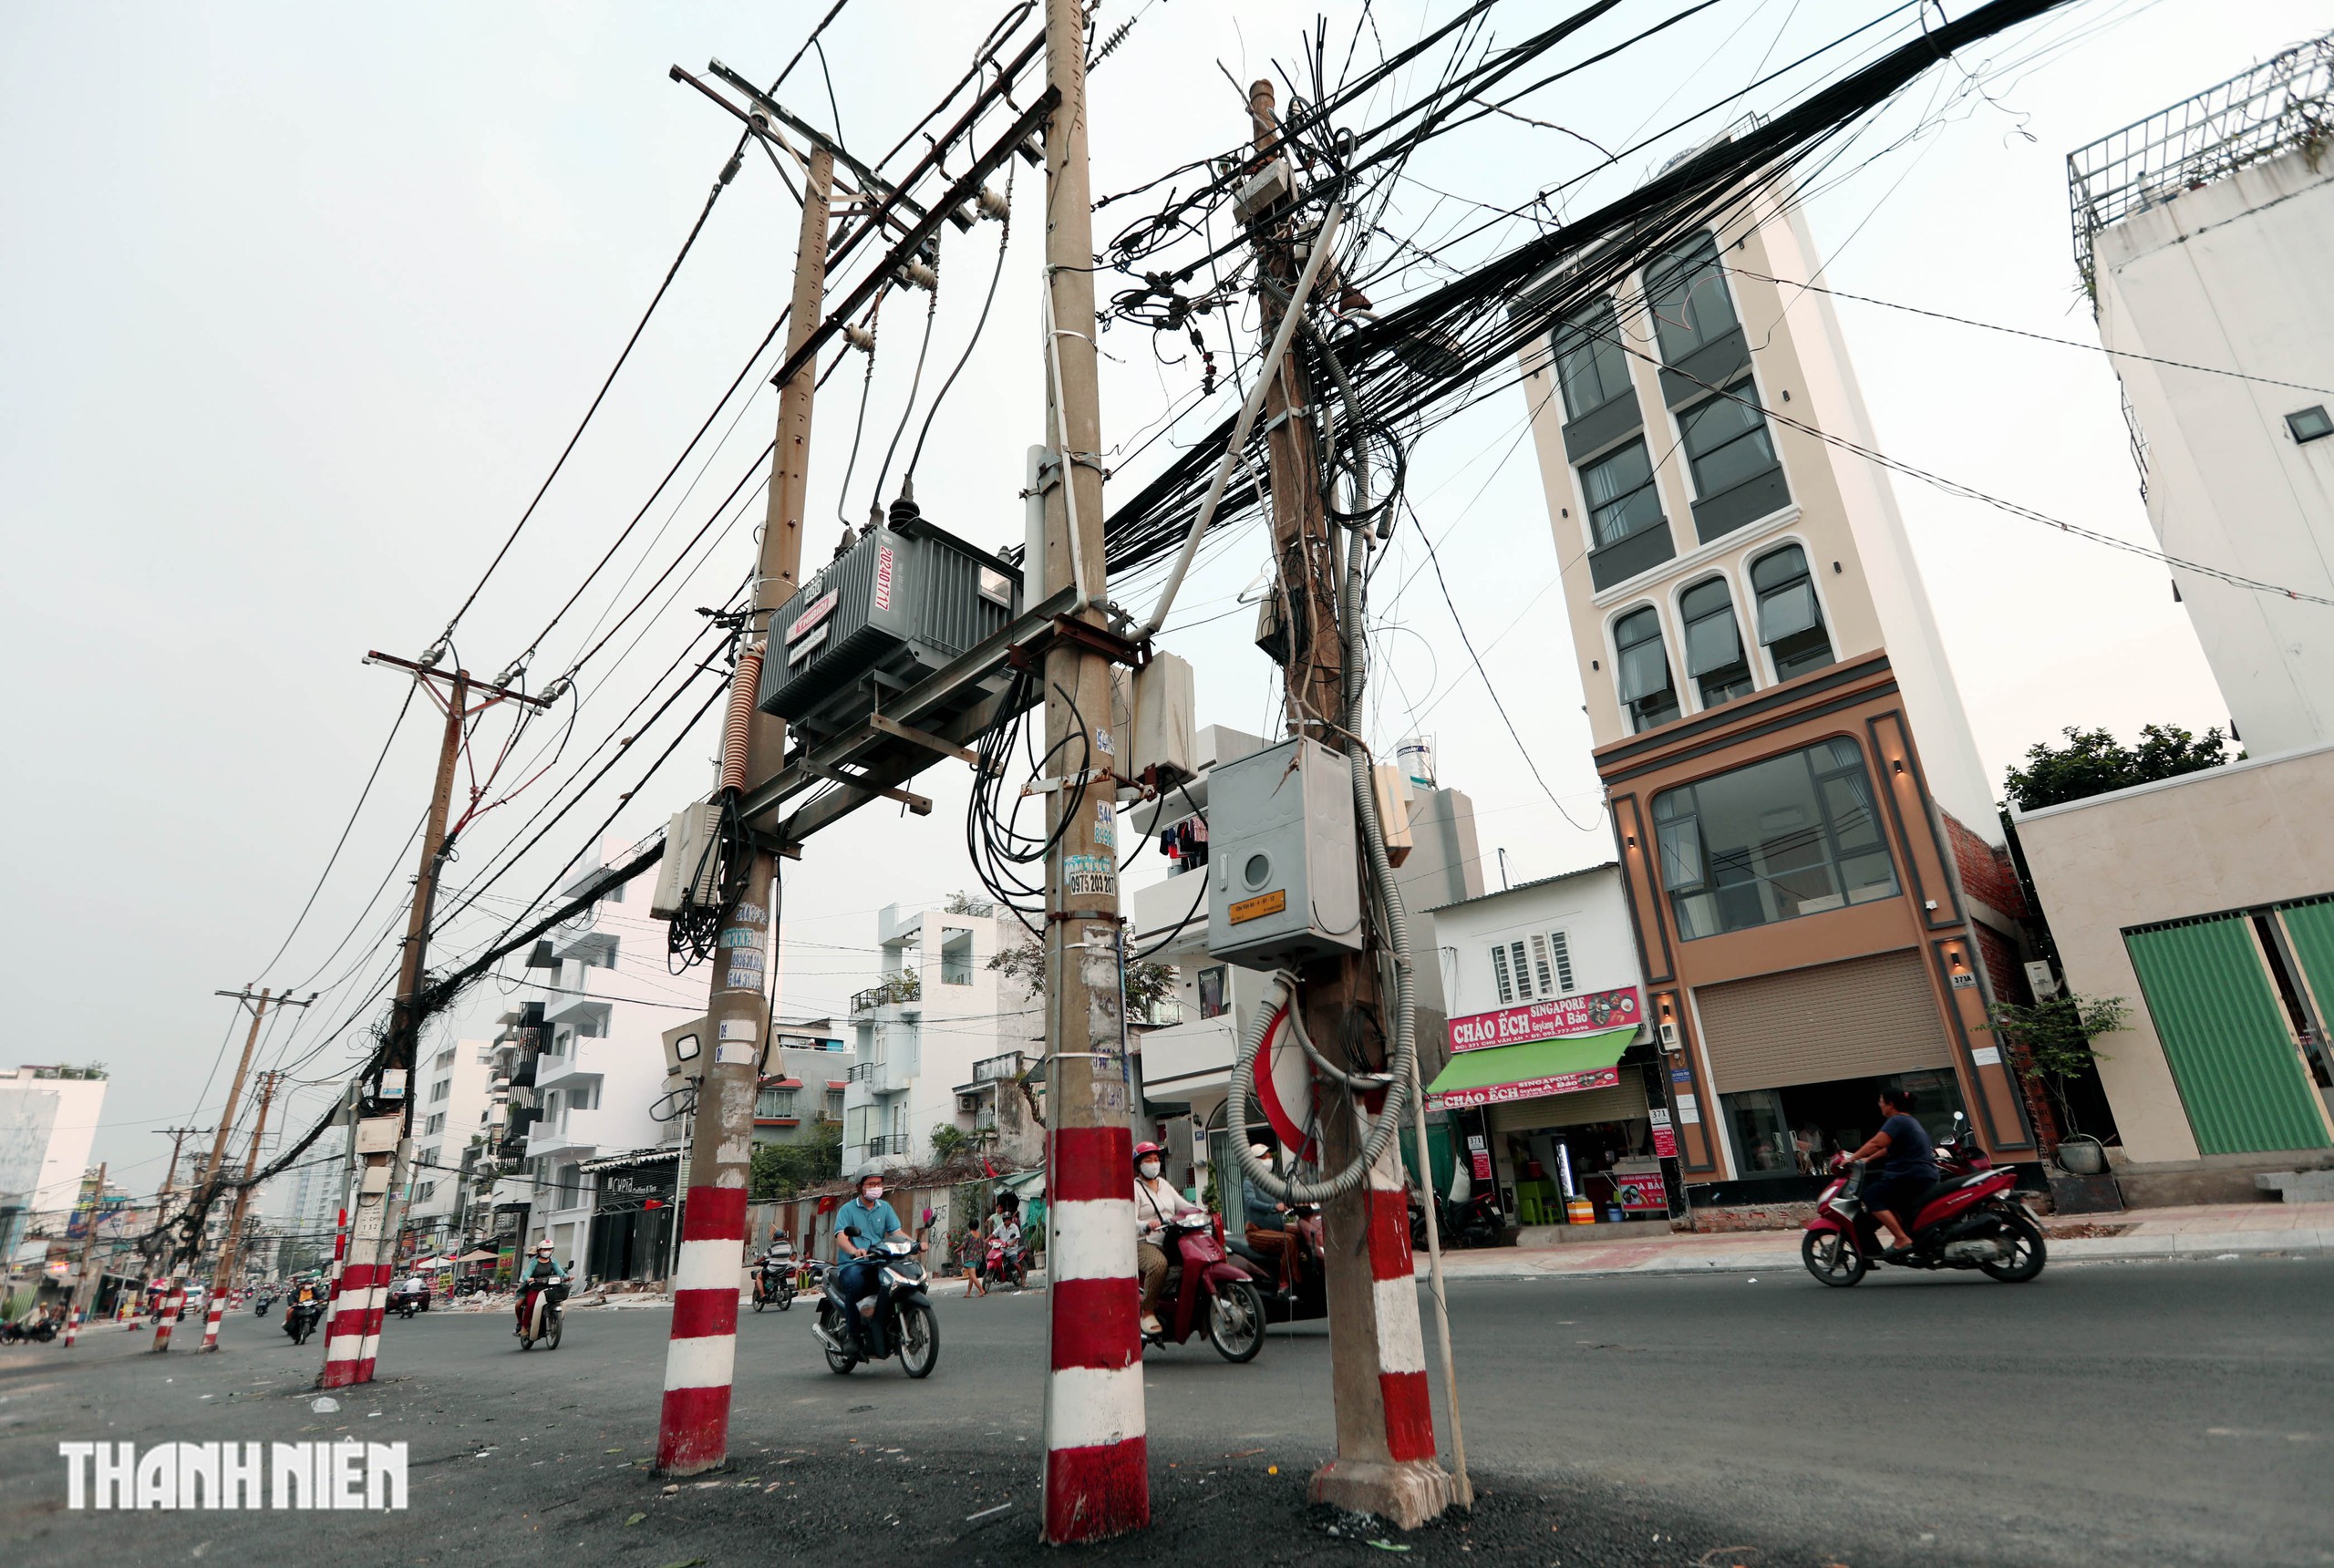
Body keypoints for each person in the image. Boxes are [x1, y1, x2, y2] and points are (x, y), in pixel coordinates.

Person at [1843, 1086, 1939, 1255]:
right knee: (1890, 1199)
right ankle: (1912, 1237)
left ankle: (1902, 1239)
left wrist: (1852, 1158)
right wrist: (1869, 1159)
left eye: (1881, 1102)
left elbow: (1876, 1143)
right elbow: (1888, 1148)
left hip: (1910, 1176)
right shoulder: (1909, 1121)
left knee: (1871, 1195)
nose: (1879, 1105)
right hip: (1922, 1175)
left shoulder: (1897, 1121)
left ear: (1890, 1104)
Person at [1131, 1141, 1205, 1336]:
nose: (1154, 1163)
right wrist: (1146, 1225)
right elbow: (1130, 1219)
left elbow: (1183, 1205)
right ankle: (1147, 1311)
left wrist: (1204, 1212)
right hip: (1144, 1242)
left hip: (1169, 1238)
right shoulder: (1135, 1188)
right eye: (1148, 1160)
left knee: (1193, 1262)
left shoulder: (1164, 1184)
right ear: (1139, 1165)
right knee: (1159, 1265)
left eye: (1156, 1160)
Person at [832, 1172, 911, 1351]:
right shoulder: (847, 1210)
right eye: (871, 1184)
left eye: (878, 1183)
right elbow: (842, 1238)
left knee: (896, 1283)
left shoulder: (885, 1208)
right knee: (856, 1283)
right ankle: (853, 1335)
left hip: (879, 1261)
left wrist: (913, 1244)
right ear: (860, 1187)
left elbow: (896, 1232)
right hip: (854, 1263)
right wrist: (855, 1251)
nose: (875, 1187)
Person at [515, 1241, 567, 1332]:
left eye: (549, 1249)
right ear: (539, 1251)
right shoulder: (533, 1263)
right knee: (530, 1304)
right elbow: (526, 1275)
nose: (547, 1251)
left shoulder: (553, 1262)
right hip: (535, 1288)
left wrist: (567, 1277)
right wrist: (529, 1279)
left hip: (549, 1288)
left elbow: (561, 1273)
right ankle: (524, 1326)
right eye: (545, 1249)